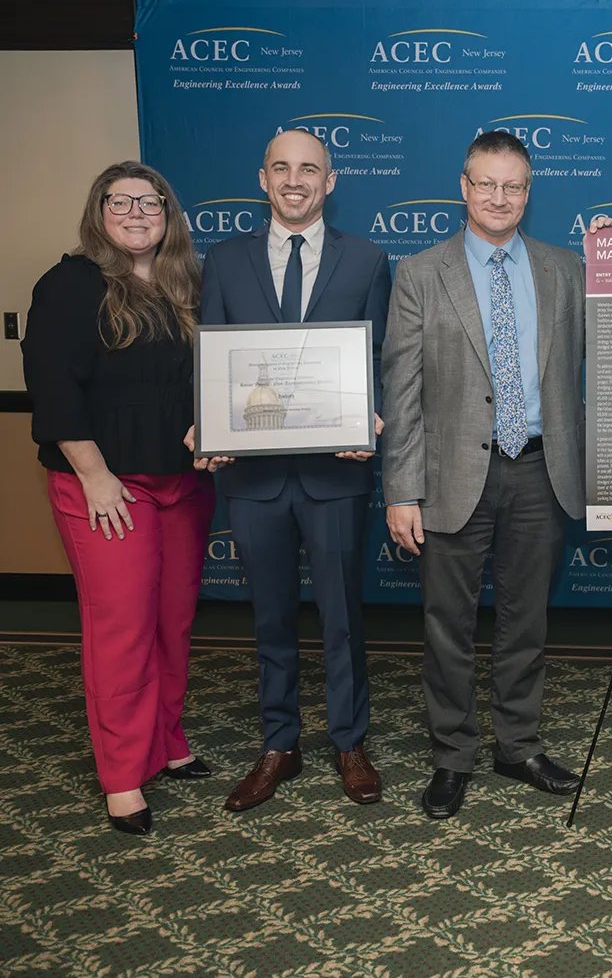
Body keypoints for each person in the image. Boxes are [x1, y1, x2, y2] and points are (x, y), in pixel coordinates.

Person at [383, 131, 607, 818]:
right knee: (447, 625)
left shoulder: (566, 268)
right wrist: (401, 490)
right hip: (451, 477)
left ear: (529, 190)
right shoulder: (421, 273)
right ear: (463, 186)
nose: (499, 197)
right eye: (486, 184)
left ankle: (518, 744)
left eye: (513, 185)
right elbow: (402, 390)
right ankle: (452, 756)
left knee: (525, 621)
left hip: (541, 472)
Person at [193, 129, 391, 812]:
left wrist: (374, 416)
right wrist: (205, 422)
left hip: (336, 476)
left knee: (343, 617)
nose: (295, 179)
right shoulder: (223, 260)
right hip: (252, 479)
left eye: (309, 168)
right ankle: (280, 741)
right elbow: (212, 359)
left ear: (330, 181)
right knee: (270, 618)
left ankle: (349, 740)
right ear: (263, 177)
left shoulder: (367, 260)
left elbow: (382, 361)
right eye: (282, 167)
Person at [22, 162, 216, 836]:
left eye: (151, 200)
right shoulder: (69, 285)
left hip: (183, 482)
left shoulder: (185, 281)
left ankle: (166, 740)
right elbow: (54, 391)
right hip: (106, 486)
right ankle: (123, 775)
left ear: (169, 212)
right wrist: (94, 473)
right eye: (121, 201)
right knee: (122, 631)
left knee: (172, 622)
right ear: (98, 210)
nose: (137, 212)